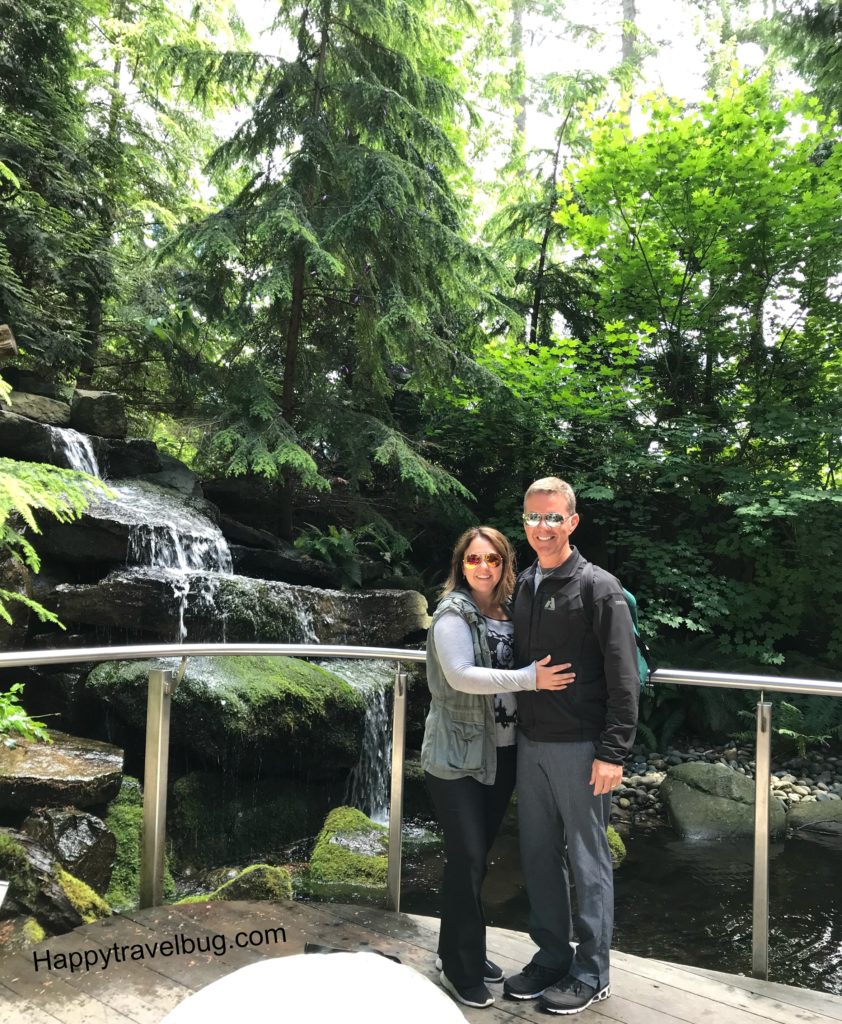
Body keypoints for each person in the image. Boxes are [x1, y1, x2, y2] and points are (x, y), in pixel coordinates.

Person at [421, 525, 575, 1011]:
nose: (483, 568)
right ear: (460, 565)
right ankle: (461, 970)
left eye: (492, 559)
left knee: (476, 858)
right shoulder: (452, 614)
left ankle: (459, 949)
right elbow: (461, 675)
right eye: (473, 560)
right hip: (455, 756)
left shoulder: (511, 611)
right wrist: (531, 678)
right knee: (466, 855)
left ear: (506, 564)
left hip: (501, 754)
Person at [503, 477, 639, 1015]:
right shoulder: (526, 583)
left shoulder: (597, 587)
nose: (543, 527)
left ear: (572, 522)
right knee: (537, 856)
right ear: (525, 523)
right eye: (534, 517)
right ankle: (552, 956)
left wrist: (614, 752)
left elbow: (624, 677)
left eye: (553, 517)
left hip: (583, 746)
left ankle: (592, 970)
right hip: (533, 743)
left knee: (589, 861)